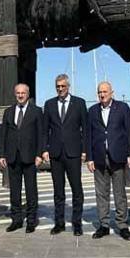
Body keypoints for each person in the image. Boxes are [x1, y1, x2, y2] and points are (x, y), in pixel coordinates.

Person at [87, 81, 130, 240]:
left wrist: (129, 154)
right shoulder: (92, 111)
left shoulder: (122, 108)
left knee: (120, 193)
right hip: (99, 157)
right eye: (100, 92)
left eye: (105, 91)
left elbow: (128, 131)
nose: (102, 94)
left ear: (112, 92)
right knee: (101, 194)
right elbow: (89, 135)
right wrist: (89, 158)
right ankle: (104, 225)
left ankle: (122, 225)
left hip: (118, 156)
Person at [43, 73, 87, 236]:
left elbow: (86, 128)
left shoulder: (79, 103)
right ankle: (59, 223)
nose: (60, 89)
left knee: (77, 190)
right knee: (58, 191)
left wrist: (85, 151)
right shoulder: (49, 104)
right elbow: (44, 129)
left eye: (63, 86)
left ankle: (77, 223)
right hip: (55, 154)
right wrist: (44, 149)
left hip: (74, 153)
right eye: (58, 86)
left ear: (68, 87)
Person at [0, 83, 44, 233]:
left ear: (28, 94)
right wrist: (2, 154)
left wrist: (39, 154)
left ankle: (31, 220)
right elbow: (3, 134)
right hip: (12, 157)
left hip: (30, 157)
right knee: (15, 191)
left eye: (23, 93)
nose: (20, 95)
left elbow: (41, 134)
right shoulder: (8, 112)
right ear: (15, 94)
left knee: (31, 190)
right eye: (18, 93)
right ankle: (16, 220)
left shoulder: (37, 111)